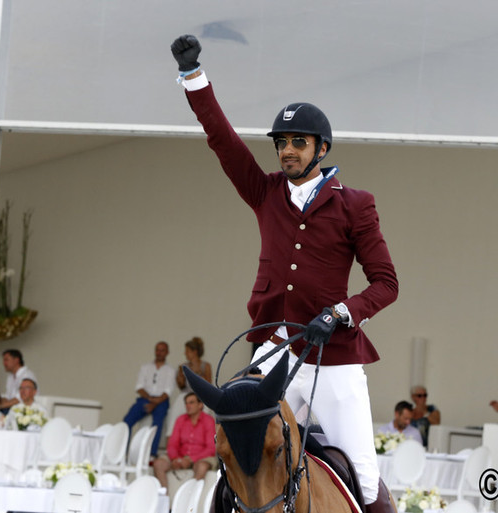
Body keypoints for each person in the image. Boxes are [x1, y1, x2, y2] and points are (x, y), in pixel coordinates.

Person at [171, 34, 399, 511]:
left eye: (298, 142)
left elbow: (386, 284)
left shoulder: (355, 205)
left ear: (321, 147)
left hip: (332, 358)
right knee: (239, 459)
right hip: (274, 355)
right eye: (282, 143)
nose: (288, 151)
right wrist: (195, 78)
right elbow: (223, 142)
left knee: (368, 483)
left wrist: (340, 313)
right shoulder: (265, 192)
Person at [153, 393, 217, 497]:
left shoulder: (209, 421)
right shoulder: (180, 419)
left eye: (191, 402)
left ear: (200, 405)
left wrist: (190, 459)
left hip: (200, 457)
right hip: (180, 457)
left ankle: (189, 500)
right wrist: (175, 459)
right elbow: (172, 444)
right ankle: (164, 499)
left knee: (202, 467)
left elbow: (211, 448)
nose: (188, 406)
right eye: (186, 403)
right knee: (158, 464)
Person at [123, 341, 176, 457]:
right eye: (157, 349)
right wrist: (151, 399)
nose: (159, 352)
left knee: (157, 423)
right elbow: (139, 387)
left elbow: (168, 391)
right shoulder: (145, 367)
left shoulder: (171, 370)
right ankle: (123, 451)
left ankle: (151, 453)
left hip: (161, 401)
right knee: (127, 421)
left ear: (167, 352)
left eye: (162, 350)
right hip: (145, 398)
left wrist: (155, 402)